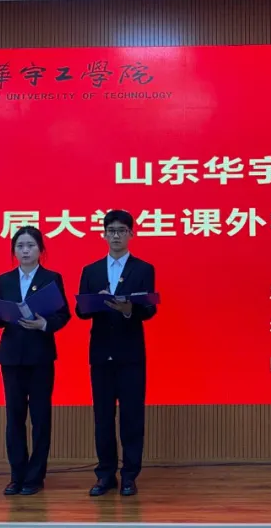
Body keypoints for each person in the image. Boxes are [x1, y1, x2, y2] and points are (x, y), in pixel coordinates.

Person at [0, 225, 71, 496]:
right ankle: (16, 476)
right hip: (11, 356)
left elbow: (63, 315)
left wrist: (44, 324)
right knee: (15, 417)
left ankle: (35, 477)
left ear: (40, 250)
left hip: (40, 355)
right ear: (14, 251)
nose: (25, 251)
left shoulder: (51, 278)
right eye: (20, 246)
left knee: (40, 418)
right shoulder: (5, 280)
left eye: (30, 245)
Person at [76, 209, 157, 497]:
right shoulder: (91, 270)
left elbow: (150, 309)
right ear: (104, 235)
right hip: (101, 353)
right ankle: (105, 475)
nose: (116, 236)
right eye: (111, 231)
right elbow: (81, 311)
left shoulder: (144, 269)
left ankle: (130, 476)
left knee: (132, 417)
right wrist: (95, 303)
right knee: (103, 417)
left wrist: (129, 309)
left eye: (121, 230)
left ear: (131, 234)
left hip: (131, 353)